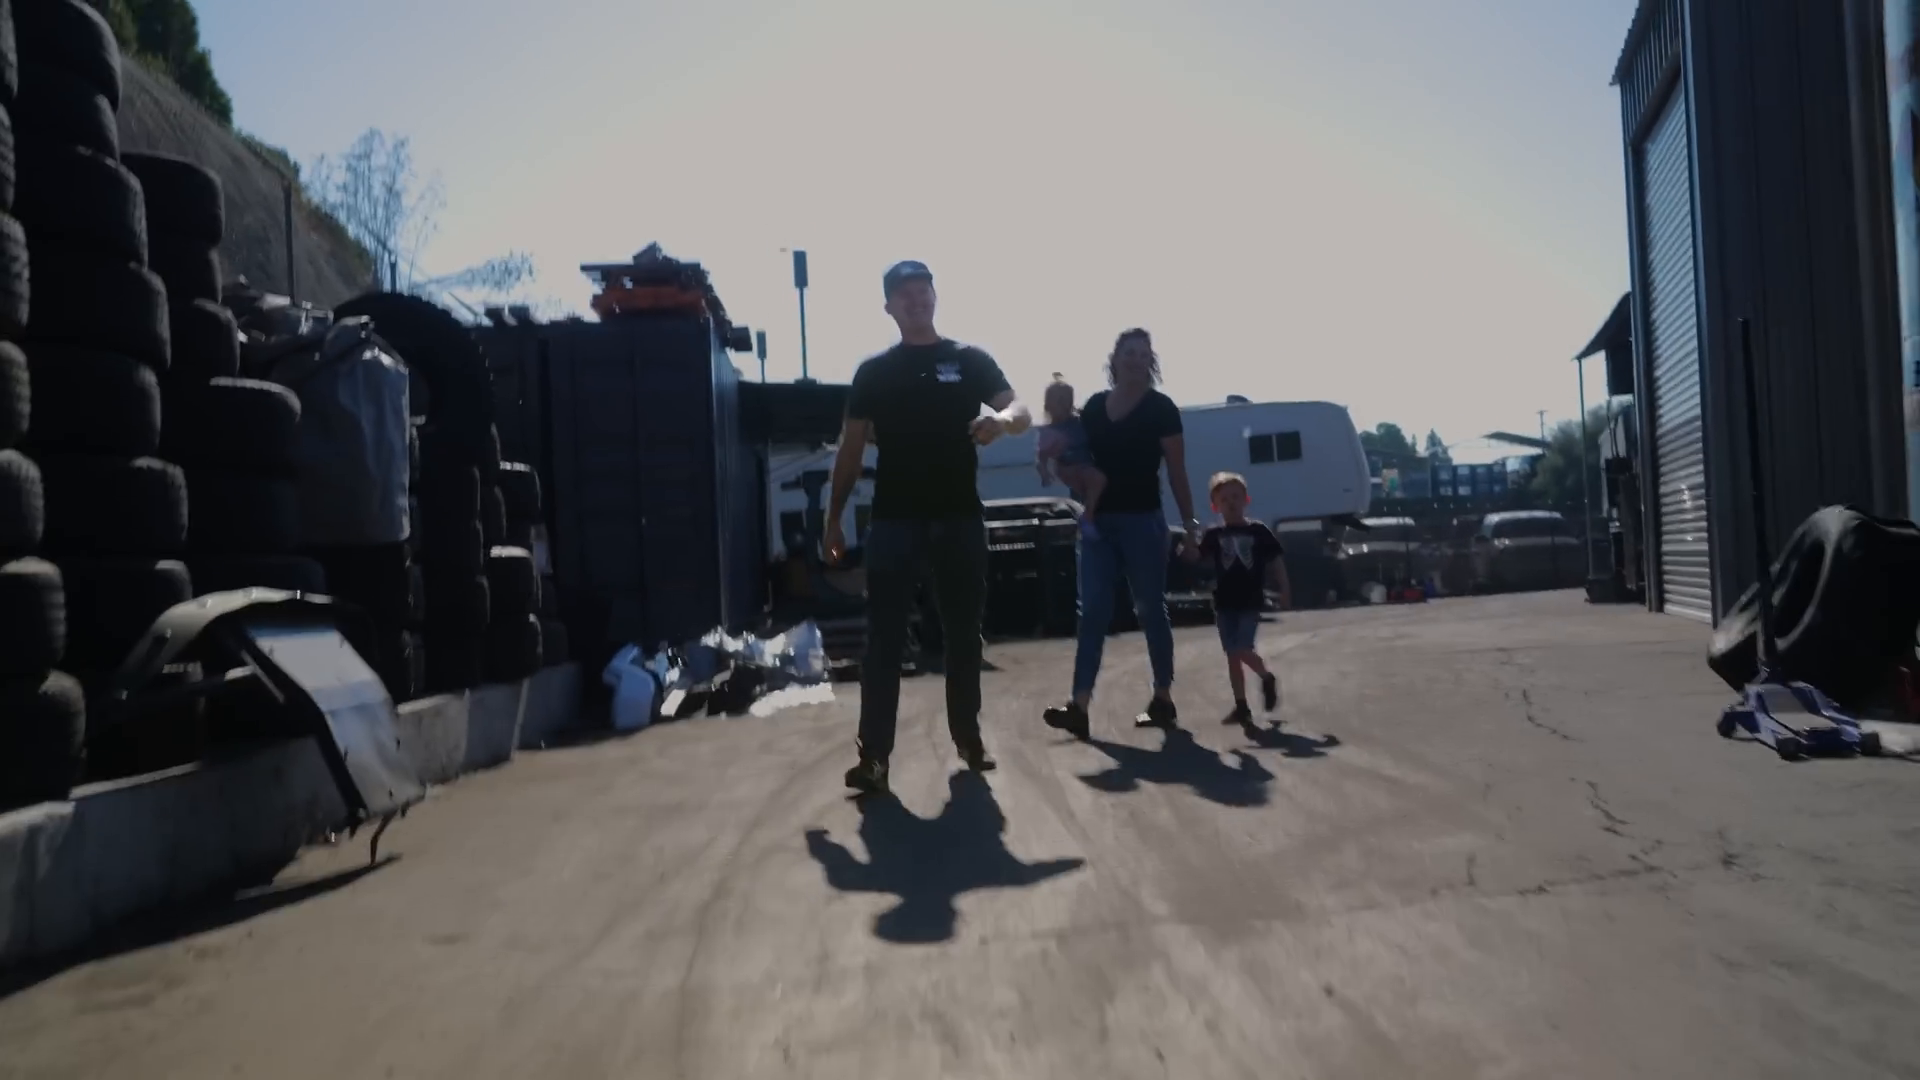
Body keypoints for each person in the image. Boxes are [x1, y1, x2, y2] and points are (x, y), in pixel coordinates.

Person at [824, 260, 1032, 795]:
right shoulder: (874, 372)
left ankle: (969, 738)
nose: (916, 300)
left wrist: (1001, 423)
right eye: (904, 294)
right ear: (889, 307)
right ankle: (874, 759)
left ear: (935, 297)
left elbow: (1022, 409)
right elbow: (849, 452)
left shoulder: (968, 360)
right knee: (884, 642)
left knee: (963, 636)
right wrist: (833, 520)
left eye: (923, 290)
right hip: (895, 521)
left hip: (959, 516)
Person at [1042, 328, 1199, 738]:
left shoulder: (1161, 409)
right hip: (1098, 524)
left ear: (1151, 361)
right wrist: (1060, 469)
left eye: (1143, 354)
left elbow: (1177, 472)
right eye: (1128, 353)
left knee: (1149, 609)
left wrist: (1191, 525)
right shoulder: (1093, 408)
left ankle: (1162, 697)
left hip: (1143, 523)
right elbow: (1074, 455)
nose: (1135, 360)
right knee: (1092, 612)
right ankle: (1078, 705)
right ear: (1114, 359)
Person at [1182, 471, 1292, 721]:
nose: (1231, 503)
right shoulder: (1214, 535)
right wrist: (1185, 547)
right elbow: (1196, 557)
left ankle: (1266, 677)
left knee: (1242, 647)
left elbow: (1276, 561)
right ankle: (1241, 705)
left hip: (1250, 600)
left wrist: (1285, 589)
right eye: (1224, 499)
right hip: (1224, 602)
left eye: (1235, 497)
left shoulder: (1258, 531)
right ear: (1215, 506)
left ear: (1246, 500)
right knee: (1232, 655)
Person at [1034, 376, 1106, 538]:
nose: (1063, 404)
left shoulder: (1079, 421)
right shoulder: (1049, 431)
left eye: (1067, 400)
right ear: (1048, 405)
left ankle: (1089, 518)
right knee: (1097, 479)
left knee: (1093, 488)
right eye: (1058, 400)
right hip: (1069, 466)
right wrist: (1045, 473)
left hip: (1085, 464)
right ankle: (1087, 518)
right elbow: (1041, 456)